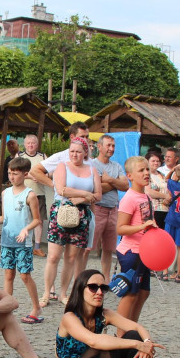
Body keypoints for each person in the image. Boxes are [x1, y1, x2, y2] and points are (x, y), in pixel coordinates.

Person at [0, 157, 43, 323]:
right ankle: (7, 307)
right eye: (10, 173)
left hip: (23, 243)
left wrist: (26, 229)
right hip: (7, 241)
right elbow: (4, 217)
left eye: (15, 174)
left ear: (25, 174)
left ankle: (36, 307)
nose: (12, 177)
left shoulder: (30, 195)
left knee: (25, 276)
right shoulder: (5, 193)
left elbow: (37, 220)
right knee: (8, 275)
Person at [44, 138, 100, 306]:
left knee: (71, 257)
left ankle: (63, 293)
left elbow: (97, 196)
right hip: (62, 211)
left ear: (85, 153)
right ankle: (47, 292)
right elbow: (61, 189)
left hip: (82, 214)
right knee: (54, 256)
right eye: (72, 151)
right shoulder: (63, 166)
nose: (75, 154)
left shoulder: (92, 169)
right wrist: (85, 194)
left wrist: (82, 197)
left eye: (78, 151)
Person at [116, 156, 157, 323]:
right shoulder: (129, 198)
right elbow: (120, 228)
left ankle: (132, 329)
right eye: (141, 170)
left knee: (143, 292)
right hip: (131, 253)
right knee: (130, 294)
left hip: (145, 252)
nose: (146, 173)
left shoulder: (145, 196)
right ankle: (120, 335)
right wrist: (142, 227)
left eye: (147, 169)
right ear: (130, 176)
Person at [88, 134, 129, 281]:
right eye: (108, 145)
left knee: (108, 248)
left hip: (113, 210)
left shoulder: (116, 166)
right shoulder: (92, 165)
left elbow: (125, 185)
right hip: (97, 209)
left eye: (113, 146)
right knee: (88, 247)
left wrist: (109, 180)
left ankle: (105, 279)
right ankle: (83, 277)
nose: (111, 149)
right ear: (99, 147)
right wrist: (114, 183)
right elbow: (95, 187)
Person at [19, 133, 50, 256]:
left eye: (33, 143)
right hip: (23, 193)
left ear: (37, 145)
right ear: (25, 144)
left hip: (39, 193)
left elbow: (49, 171)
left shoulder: (43, 156)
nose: (30, 145)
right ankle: (23, 244)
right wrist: (35, 176)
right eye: (28, 143)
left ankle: (37, 246)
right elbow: (17, 172)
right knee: (23, 219)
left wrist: (44, 176)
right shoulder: (20, 156)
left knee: (39, 220)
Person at [145, 150, 169, 231]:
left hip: (165, 209)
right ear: (147, 161)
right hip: (153, 210)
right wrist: (165, 196)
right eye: (153, 161)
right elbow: (148, 191)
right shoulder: (146, 175)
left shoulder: (162, 175)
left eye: (158, 161)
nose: (156, 163)